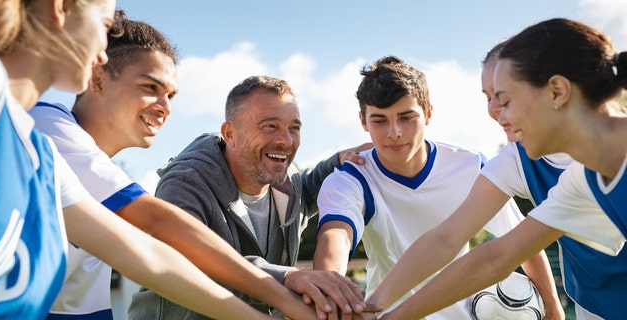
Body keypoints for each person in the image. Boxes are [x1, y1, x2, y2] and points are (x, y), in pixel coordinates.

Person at [0, 0, 293, 319]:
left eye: (171, 96)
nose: (166, 107)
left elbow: (149, 258)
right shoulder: (42, 123)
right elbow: (157, 223)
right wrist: (284, 286)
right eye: (150, 87)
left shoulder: (47, 160)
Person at [376, 18, 627, 320]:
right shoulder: (581, 182)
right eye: (489, 98)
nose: (496, 112)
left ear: (557, 91)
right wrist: (383, 314)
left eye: (504, 99)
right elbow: (496, 256)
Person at [311, 55, 559, 319]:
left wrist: (554, 311)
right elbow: (335, 237)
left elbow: (521, 242)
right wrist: (329, 290)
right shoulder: (350, 178)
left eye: (406, 117)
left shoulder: (469, 166)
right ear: (363, 121)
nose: (394, 132)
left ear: (428, 113)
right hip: (386, 313)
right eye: (379, 121)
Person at [127, 75, 376, 320]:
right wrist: (289, 276)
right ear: (230, 134)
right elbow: (192, 261)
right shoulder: (184, 182)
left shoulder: (287, 182)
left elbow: (309, 187)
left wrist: (341, 159)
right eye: (270, 126)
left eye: (294, 128)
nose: (286, 140)